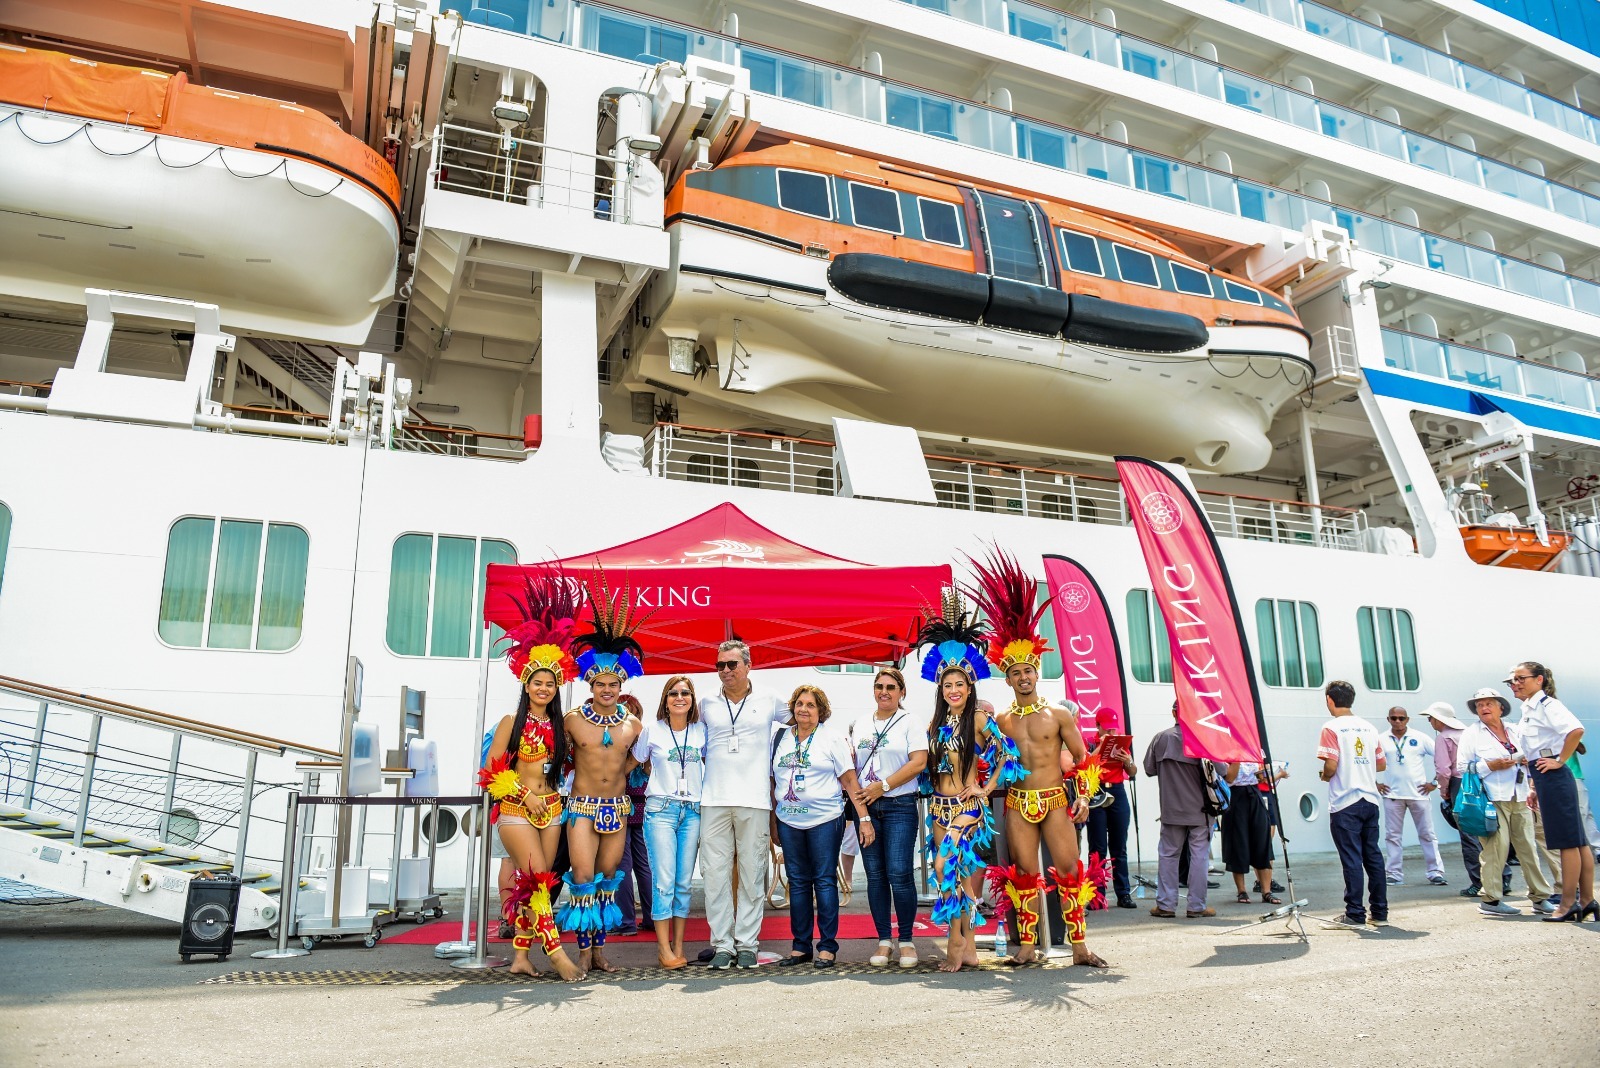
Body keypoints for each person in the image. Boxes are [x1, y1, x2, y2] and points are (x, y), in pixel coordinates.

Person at [968, 547, 1108, 968]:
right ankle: (1027, 946)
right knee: (1024, 874)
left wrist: (1084, 796)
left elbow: (1082, 757)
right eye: (1016, 672)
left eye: (1028, 670)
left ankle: (1079, 948)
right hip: (1016, 803)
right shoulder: (1003, 720)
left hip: (1055, 800)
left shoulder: (1059, 715)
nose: (1023, 677)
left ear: (1036, 672)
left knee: (1068, 872)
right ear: (1008, 678)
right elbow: (988, 758)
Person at [477, 571, 584, 981]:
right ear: (526, 684)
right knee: (539, 878)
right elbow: (491, 771)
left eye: (550, 684)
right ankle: (556, 954)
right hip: (518, 810)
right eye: (537, 683)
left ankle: (521, 957)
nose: (544, 689)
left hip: (552, 809)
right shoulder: (511, 721)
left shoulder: (560, 725)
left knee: (536, 881)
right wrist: (526, 795)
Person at [915, 592, 1024, 973]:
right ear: (940, 689)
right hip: (939, 808)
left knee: (944, 866)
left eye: (959, 684)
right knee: (957, 879)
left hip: (967, 807)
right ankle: (971, 948)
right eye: (948, 685)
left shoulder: (978, 719)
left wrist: (985, 787)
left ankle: (955, 945)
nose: (954, 690)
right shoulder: (935, 724)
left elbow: (1007, 755)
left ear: (970, 685)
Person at [554, 578, 646, 974]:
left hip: (617, 809)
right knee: (583, 878)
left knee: (608, 878)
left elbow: (639, 760)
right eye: (600, 684)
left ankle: (599, 952)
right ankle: (582, 952)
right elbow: (554, 758)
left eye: (613, 684)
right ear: (590, 685)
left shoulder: (633, 725)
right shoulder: (572, 720)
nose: (606, 689)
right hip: (581, 808)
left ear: (621, 685)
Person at [699, 639, 789, 970]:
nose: (725, 671)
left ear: (748, 666)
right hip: (714, 799)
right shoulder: (705, 702)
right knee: (714, 875)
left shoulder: (770, 698)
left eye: (732, 664)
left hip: (755, 799)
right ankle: (722, 944)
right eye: (720, 665)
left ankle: (747, 944)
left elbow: (805, 718)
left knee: (753, 873)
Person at [772, 685, 872, 968]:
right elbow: (773, 781)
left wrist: (864, 819)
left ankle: (827, 947)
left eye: (810, 705)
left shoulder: (832, 738)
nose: (803, 709)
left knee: (824, 880)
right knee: (798, 882)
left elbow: (849, 781)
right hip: (789, 820)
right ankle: (800, 946)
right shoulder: (779, 738)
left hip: (824, 821)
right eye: (799, 704)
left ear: (821, 710)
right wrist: (773, 821)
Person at [849, 667, 929, 968]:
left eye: (891, 687)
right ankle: (884, 941)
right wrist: (862, 808)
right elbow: (852, 767)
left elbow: (918, 762)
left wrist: (882, 786)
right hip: (867, 808)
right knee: (876, 875)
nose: (884, 692)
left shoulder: (910, 721)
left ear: (901, 692)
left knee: (899, 873)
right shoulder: (860, 723)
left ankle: (906, 940)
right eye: (879, 686)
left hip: (899, 805)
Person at [1507, 662, 1595, 921]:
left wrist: (1560, 760)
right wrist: (1534, 785)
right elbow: (1534, 750)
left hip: (1553, 774)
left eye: (1521, 678)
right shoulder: (1529, 708)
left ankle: (1567, 904)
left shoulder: (1547, 705)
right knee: (1577, 841)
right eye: (1512, 680)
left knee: (1566, 842)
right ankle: (1587, 900)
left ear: (1539, 679)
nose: (1515, 684)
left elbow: (1576, 730)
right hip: (1545, 776)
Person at [1457, 687, 1555, 917]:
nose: (1484, 708)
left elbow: (1533, 755)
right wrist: (1490, 765)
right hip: (1491, 800)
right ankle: (1490, 900)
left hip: (1519, 795)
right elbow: (1462, 768)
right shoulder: (1471, 733)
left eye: (1489, 703)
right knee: (1495, 850)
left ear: (1501, 707)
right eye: (1479, 705)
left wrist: (1528, 768)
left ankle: (1540, 897)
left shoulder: (1514, 729)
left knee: (1528, 848)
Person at [630, 675, 705, 969]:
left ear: (692, 699)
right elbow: (636, 761)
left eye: (685, 693)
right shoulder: (653, 730)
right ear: (665, 699)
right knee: (664, 881)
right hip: (661, 809)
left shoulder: (701, 731)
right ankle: (663, 949)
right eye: (673, 693)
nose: (679, 697)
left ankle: (678, 946)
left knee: (684, 883)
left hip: (693, 811)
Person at [1317, 680, 1387, 928]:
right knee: (1373, 857)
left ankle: (1355, 913)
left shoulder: (1331, 727)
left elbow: (1331, 765)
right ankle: (1379, 912)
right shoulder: (1369, 728)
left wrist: (1325, 776)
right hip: (1370, 799)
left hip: (1345, 801)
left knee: (1351, 858)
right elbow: (1381, 764)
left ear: (1329, 699)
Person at [1143, 700, 1219, 920]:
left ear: (1173, 713)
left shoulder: (1160, 738)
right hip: (1201, 811)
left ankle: (1166, 905)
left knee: (1168, 855)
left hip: (1171, 810)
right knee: (1199, 857)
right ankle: (1196, 906)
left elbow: (1149, 769)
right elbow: (1222, 771)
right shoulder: (1203, 739)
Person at [1376, 706, 1446, 886]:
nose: (1397, 721)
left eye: (1401, 718)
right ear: (1388, 719)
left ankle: (1435, 872)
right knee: (1392, 836)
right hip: (1392, 795)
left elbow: (1442, 757)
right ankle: (1394, 874)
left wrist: (1434, 783)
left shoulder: (1420, 737)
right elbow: (1368, 762)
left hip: (1419, 794)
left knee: (1427, 834)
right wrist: (1375, 783)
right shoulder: (1381, 739)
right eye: (1394, 718)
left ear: (1407, 720)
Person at [1424, 701, 1485, 897]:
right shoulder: (1470, 733)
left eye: (1431, 718)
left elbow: (1443, 770)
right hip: (1480, 781)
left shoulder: (1443, 738)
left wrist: (1444, 792)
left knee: (1468, 835)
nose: (1430, 721)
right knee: (1487, 832)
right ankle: (1503, 878)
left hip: (1459, 784)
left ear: (1439, 719)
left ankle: (1479, 882)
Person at [1083, 708, 1137, 910]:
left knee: (1119, 846)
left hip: (1117, 790)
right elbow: (1084, 765)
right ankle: (1097, 896)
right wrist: (1101, 747)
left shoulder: (1120, 742)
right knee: (1097, 848)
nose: (1111, 732)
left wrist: (1127, 761)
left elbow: (1133, 771)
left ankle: (1123, 894)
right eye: (1107, 729)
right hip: (1096, 791)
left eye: (1113, 729)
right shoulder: (1089, 742)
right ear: (1097, 726)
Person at [613, 693, 653, 937]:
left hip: (621, 806)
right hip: (644, 805)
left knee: (622, 865)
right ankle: (652, 918)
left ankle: (626, 921)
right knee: (645, 866)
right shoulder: (646, 737)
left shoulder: (617, 740)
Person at [1221, 761, 1281, 905]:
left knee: (1262, 840)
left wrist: (1263, 772)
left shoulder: (1254, 751)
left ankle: (1266, 891)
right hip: (1235, 795)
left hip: (1255, 793)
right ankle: (1241, 890)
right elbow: (1229, 778)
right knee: (1238, 842)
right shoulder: (1228, 752)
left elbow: (1262, 779)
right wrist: (1237, 757)